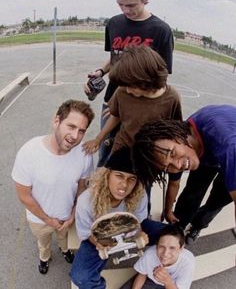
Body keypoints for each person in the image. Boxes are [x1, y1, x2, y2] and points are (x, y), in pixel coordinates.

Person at [84, 0, 174, 167]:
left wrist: (128, 100)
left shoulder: (162, 31)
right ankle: (102, 189)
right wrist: (101, 72)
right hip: (111, 103)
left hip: (141, 105)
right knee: (106, 152)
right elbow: (115, 58)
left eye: (131, 5)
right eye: (120, 4)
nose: (126, 10)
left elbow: (161, 77)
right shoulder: (114, 24)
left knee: (137, 155)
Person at [132, 104, 236, 244]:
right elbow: (174, 181)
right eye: (167, 166)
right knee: (193, 193)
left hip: (226, 147)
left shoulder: (229, 145)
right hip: (209, 153)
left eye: (173, 153)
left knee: (217, 201)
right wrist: (169, 211)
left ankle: (198, 225)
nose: (178, 165)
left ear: (178, 135)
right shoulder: (187, 138)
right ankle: (177, 228)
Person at [11, 100, 95, 274]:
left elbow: (82, 188)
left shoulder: (84, 154)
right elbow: (24, 196)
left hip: (67, 217)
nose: (75, 136)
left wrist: (73, 214)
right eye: (71, 126)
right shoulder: (28, 152)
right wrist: (48, 220)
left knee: (64, 239)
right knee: (44, 242)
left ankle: (64, 251)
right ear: (56, 121)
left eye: (81, 131)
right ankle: (44, 258)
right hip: (39, 219)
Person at [70, 147, 165, 289]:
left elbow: (139, 221)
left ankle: (160, 270)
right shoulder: (86, 201)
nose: (124, 185)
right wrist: (99, 243)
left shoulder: (139, 194)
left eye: (131, 179)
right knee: (80, 277)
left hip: (130, 228)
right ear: (107, 174)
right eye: (119, 176)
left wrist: (139, 233)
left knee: (172, 233)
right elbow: (86, 233)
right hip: (100, 237)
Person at [120, 224, 195, 289]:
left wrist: (167, 281)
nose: (165, 254)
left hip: (172, 285)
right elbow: (142, 275)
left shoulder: (188, 263)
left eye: (172, 248)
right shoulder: (150, 254)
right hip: (150, 280)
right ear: (156, 246)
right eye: (162, 247)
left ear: (181, 248)